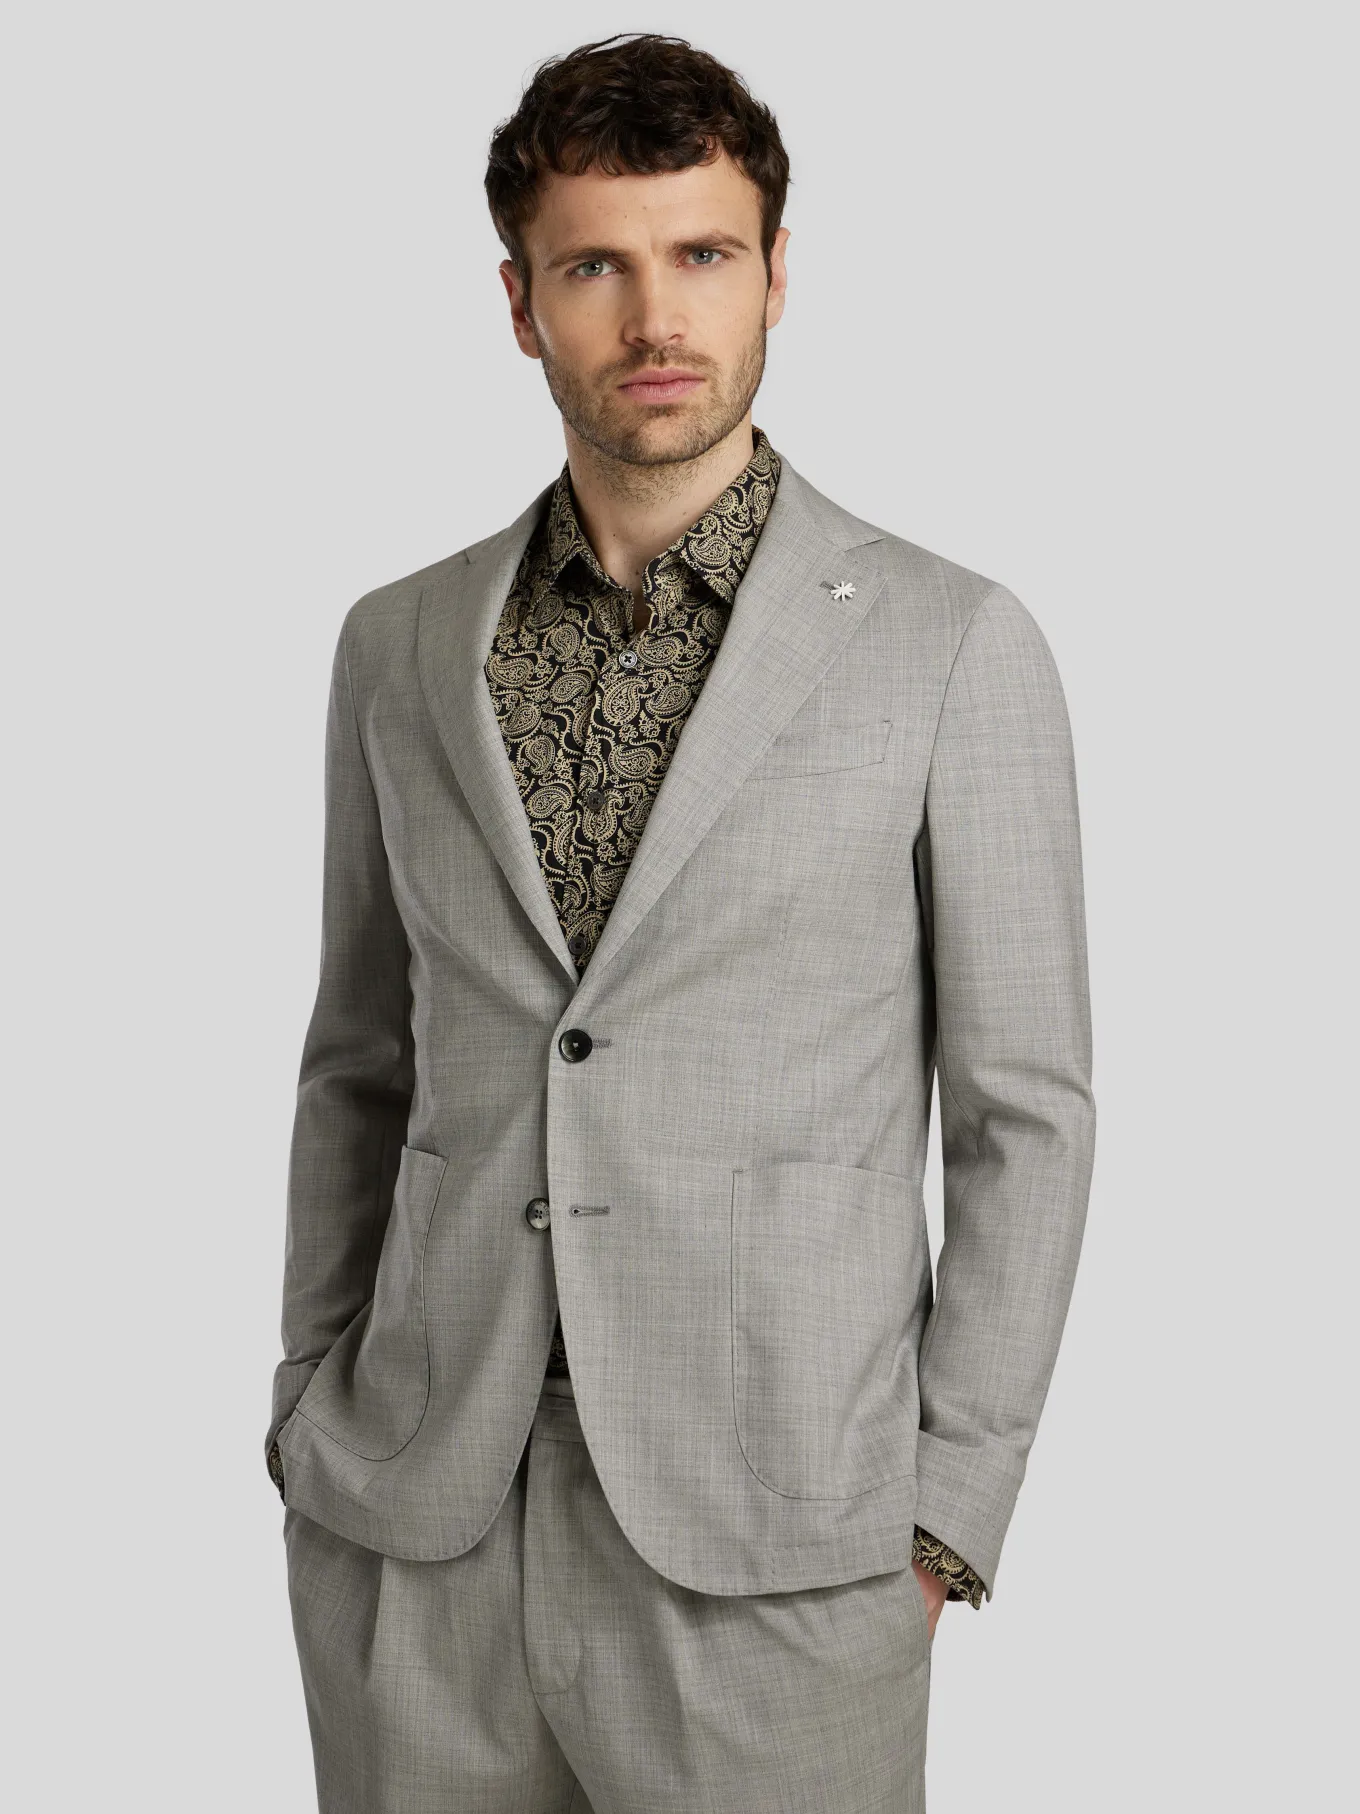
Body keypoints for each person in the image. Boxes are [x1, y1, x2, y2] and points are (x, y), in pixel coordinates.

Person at [266, 32, 1096, 1813]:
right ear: (520, 302)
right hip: (421, 1526)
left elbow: (1026, 1112)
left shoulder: (952, 642)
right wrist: (305, 1407)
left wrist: (946, 1513)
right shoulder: (398, 645)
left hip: (781, 1551)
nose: (657, 316)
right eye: (596, 266)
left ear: (778, 271)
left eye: (704, 253)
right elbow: (358, 1060)